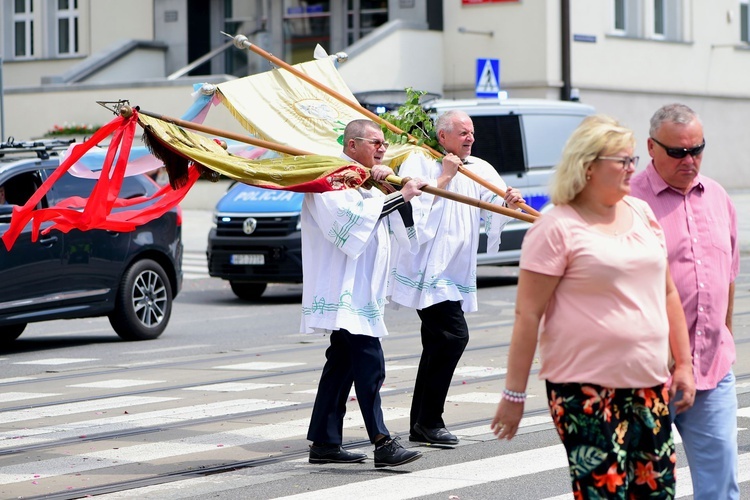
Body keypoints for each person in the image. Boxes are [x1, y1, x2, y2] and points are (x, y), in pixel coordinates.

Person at [491, 115, 695, 498]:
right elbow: (528, 315)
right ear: (587, 166)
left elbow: (668, 292)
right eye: (622, 160)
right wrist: (513, 395)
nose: (632, 168)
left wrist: (682, 364)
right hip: (583, 390)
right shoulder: (555, 227)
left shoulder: (641, 213)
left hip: (648, 382)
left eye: (633, 159)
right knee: (604, 493)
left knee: (657, 491)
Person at [389, 110, 524, 446]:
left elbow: (493, 206)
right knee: (452, 337)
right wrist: (445, 177)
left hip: (454, 270)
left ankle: (422, 423)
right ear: (442, 136)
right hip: (429, 271)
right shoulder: (420, 162)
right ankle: (429, 421)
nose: (470, 138)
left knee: (437, 343)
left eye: (472, 132)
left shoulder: (478, 167)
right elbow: (411, 211)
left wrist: (509, 202)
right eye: (462, 132)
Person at [630, 103, 740, 499]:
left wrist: (723, 334)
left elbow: (727, 276)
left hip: (711, 369)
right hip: (647, 374)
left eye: (697, 150)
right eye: (678, 152)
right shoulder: (626, 202)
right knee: (648, 488)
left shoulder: (717, 197)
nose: (689, 160)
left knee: (721, 486)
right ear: (652, 147)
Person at [303, 119, 426, 468]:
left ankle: (325, 442)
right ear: (352, 144)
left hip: (362, 290)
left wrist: (393, 193)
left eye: (384, 143)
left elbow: (398, 228)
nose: (383, 149)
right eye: (376, 143)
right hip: (343, 289)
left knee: (341, 365)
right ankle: (382, 441)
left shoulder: (368, 182)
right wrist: (397, 195)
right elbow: (350, 225)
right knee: (369, 363)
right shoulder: (331, 179)